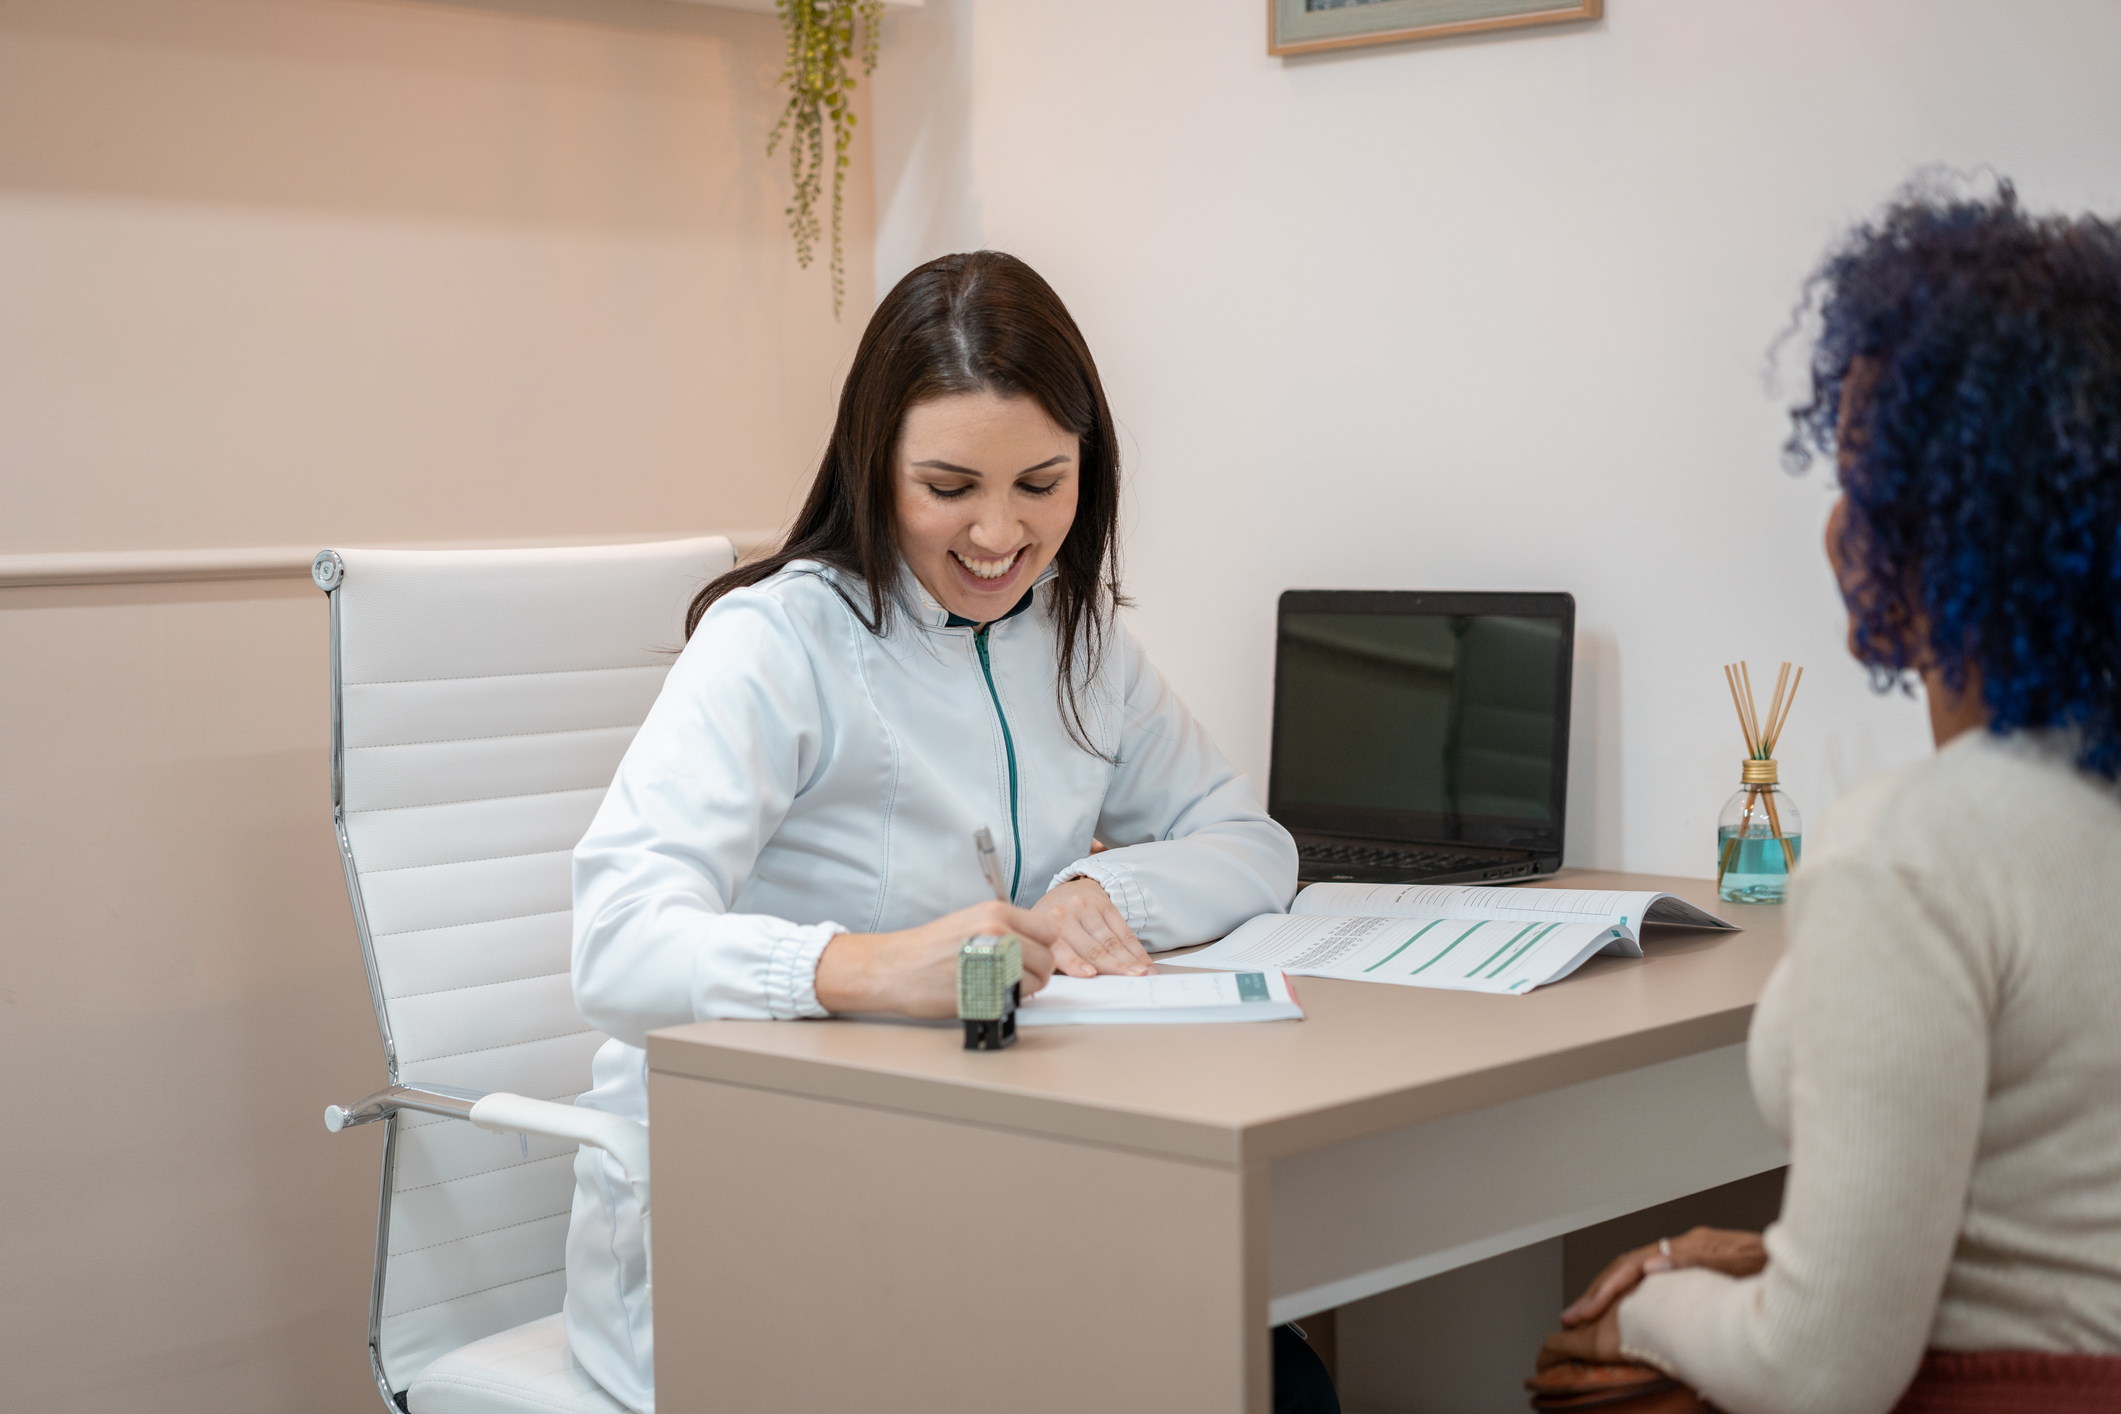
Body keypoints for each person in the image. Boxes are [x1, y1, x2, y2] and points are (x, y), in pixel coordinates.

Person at [563, 251, 1335, 1412]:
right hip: (761, 1192)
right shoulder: (779, 642)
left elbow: (1249, 839)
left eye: (1041, 483)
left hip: (982, 1167)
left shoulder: (1076, 638)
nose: (998, 533)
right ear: (874, 468)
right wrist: (862, 967)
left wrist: (1104, 895)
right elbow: (614, 944)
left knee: (1259, 1374)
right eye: (949, 486)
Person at [1540, 182, 2121, 1412]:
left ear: (1964, 531)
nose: (1835, 530)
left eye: (1866, 484)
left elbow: (1820, 1373)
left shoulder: (1909, 854)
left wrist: (1646, 1298)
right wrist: (1766, 1265)